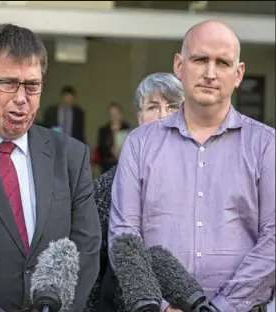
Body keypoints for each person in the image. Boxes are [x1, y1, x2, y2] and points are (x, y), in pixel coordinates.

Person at [108, 19, 275, 312]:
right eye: (200, 60)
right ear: (179, 65)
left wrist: (223, 307)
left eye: (222, 63)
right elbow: (124, 235)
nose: (210, 73)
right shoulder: (139, 144)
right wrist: (159, 305)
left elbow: (273, 239)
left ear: (238, 74)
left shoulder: (266, 146)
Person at [0, 23, 101, 312]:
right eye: (9, 83)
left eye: (32, 86)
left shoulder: (70, 157)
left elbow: (85, 251)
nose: (22, 99)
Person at [84, 72, 184, 312]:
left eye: (172, 106)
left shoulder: (204, 179)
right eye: (152, 107)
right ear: (139, 118)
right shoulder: (109, 184)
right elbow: (94, 266)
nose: (162, 116)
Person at [96, 101, 131, 173]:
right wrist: (111, 150)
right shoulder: (103, 130)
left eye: (116, 114)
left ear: (120, 114)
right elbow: (101, 148)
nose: (113, 116)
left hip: (124, 167)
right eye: (111, 114)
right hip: (107, 167)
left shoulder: (127, 128)